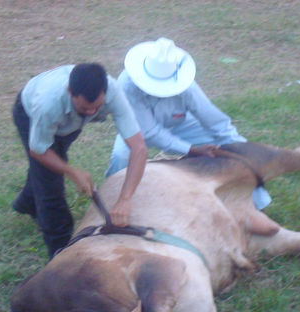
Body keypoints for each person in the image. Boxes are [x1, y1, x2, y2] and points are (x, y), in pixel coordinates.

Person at [105, 37, 272, 212]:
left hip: (180, 123)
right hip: (138, 129)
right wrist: (191, 149)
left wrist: (242, 150)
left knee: (228, 151)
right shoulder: (127, 84)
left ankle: (258, 206)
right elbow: (150, 132)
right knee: (120, 157)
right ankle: (114, 200)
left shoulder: (188, 88)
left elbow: (216, 122)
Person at [11, 63, 148, 258]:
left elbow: (139, 148)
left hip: (66, 124)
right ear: (69, 92)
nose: (92, 113)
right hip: (30, 116)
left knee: (45, 170)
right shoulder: (48, 104)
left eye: (97, 108)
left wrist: (125, 199)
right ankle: (60, 254)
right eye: (85, 108)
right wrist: (72, 172)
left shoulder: (113, 92)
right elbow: (39, 150)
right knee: (51, 188)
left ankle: (25, 203)